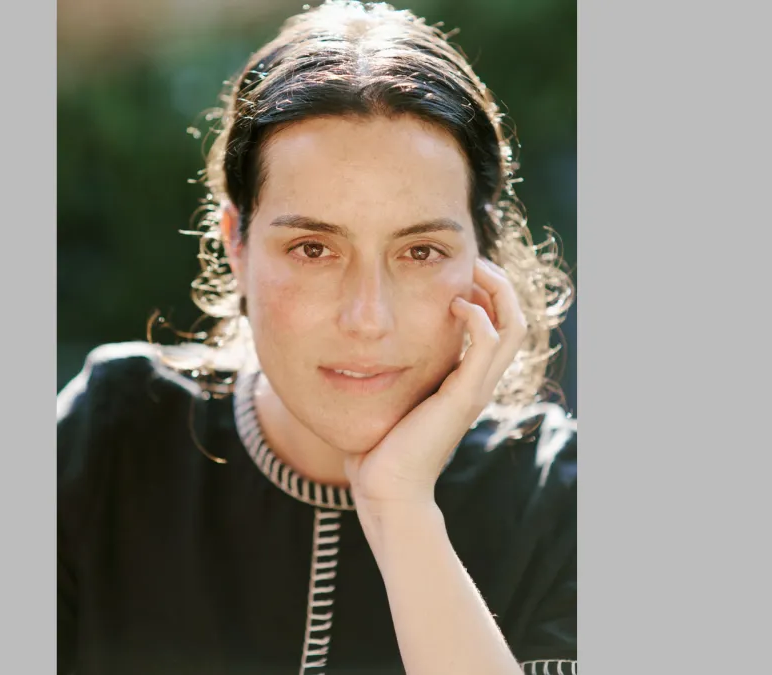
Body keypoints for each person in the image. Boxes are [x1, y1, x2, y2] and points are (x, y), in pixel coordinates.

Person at [57, 2, 577, 673]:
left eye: (419, 251)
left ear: (483, 260)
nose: (368, 316)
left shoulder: (557, 503)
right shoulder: (112, 439)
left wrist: (402, 509)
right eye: (312, 248)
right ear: (236, 245)